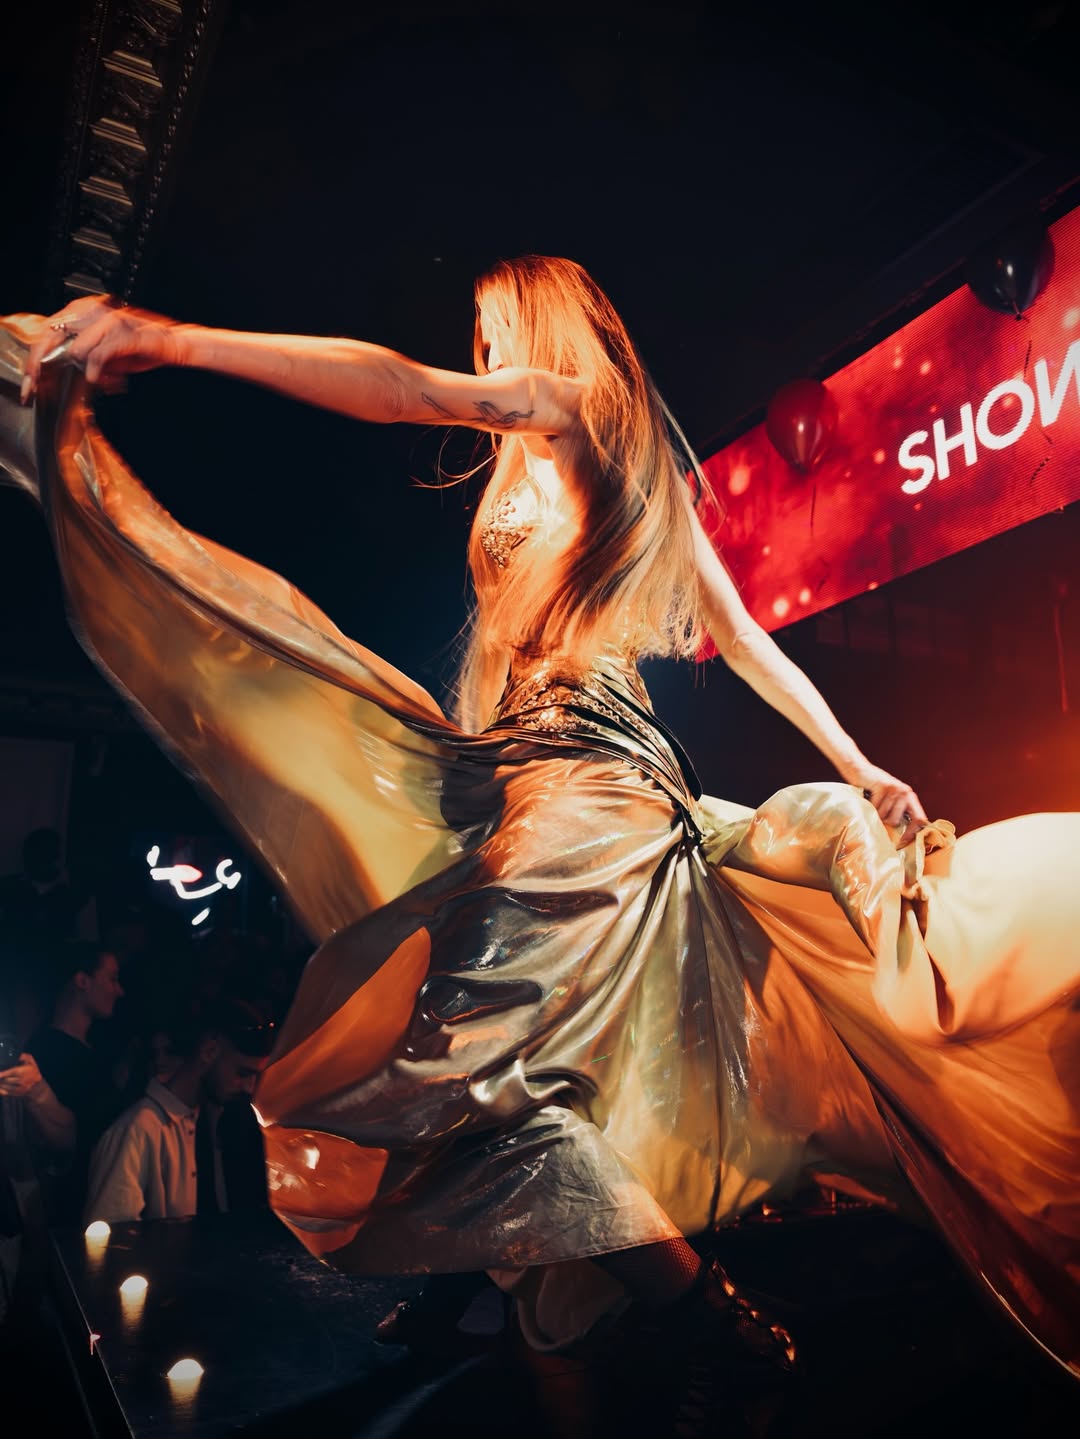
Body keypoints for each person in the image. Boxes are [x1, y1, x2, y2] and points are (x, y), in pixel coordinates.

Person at [3, 268, 1079, 1416]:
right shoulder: (532, 469)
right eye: (477, 335)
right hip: (526, 781)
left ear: (540, 317)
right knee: (467, 1050)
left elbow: (409, 393)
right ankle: (531, 1281)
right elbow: (718, 641)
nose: (481, 348)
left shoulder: (566, 409)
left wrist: (173, 338)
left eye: (492, 324)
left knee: (453, 1050)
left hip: (595, 789)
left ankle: (703, 1312)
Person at [84, 997, 273, 1224]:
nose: (249, 1087)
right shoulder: (137, 1131)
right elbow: (110, 1235)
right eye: (242, 1073)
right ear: (209, 1051)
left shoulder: (215, 1121)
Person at [25, 941, 126, 1223]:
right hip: (72, 1215)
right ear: (82, 980)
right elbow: (57, 1147)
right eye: (112, 979)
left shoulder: (94, 1050)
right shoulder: (46, 1052)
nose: (120, 991)